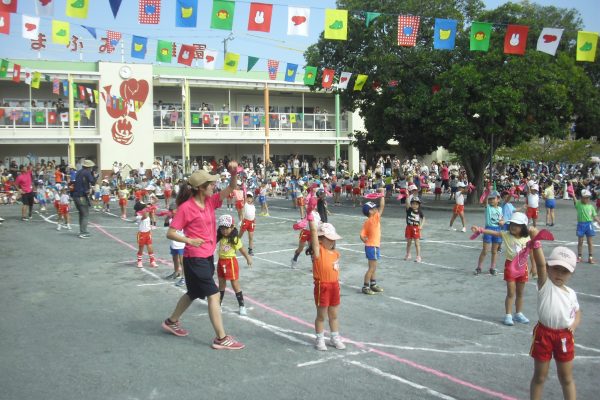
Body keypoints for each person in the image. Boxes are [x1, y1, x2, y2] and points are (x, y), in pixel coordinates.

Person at [161, 165, 245, 350]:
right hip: (195, 258)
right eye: (211, 183)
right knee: (213, 295)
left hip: (206, 256)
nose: (214, 185)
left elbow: (231, 188)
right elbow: (171, 232)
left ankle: (171, 321)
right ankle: (221, 338)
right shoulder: (186, 208)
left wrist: (233, 174)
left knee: (193, 293)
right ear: (201, 187)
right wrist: (189, 240)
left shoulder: (210, 201)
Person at [529, 241, 581, 400]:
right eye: (556, 268)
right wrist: (535, 242)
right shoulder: (545, 285)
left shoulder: (571, 293)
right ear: (548, 267)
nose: (559, 274)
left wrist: (574, 324)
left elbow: (577, 311)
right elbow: (539, 263)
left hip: (565, 336)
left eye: (565, 271)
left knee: (566, 377)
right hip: (544, 334)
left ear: (571, 273)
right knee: (540, 376)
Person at [472, 212, 531, 326]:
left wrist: (534, 267)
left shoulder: (528, 238)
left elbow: (532, 252)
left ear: (523, 227)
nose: (513, 226)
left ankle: (518, 313)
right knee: (511, 292)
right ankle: (508, 315)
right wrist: (480, 230)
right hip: (510, 266)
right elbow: (494, 232)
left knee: (520, 293)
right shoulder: (506, 234)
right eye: (512, 224)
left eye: (517, 225)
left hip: (523, 267)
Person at [307, 219, 345, 351]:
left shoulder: (336, 253)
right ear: (321, 240)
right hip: (322, 287)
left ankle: (335, 337)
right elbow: (313, 234)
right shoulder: (318, 252)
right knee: (321, 316)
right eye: (330, 239)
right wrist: (311, 221)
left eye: (334, 239)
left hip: (334, 286)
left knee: (333, 315)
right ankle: (320, 339)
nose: (333, 241)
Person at [216, 214, 252, 316]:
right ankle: (219, 304)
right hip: (221, 262)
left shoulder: (235, 239)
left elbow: (242, 249)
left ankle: (242, 306)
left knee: (235, 285)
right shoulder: (220, 237)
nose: (224, 231)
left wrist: (248, 258)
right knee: (221, 285)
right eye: (222, 228)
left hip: (230, 262)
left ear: (232, 227)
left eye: (227, 228)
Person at [360, 188, 385, 295]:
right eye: (374, 208)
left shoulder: (367, 221)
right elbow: (382, 206)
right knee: (372, 267)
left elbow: (362, 234)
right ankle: (366, 286)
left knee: (373, 267)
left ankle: (373, 284)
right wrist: (382, 195)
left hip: (371, 246)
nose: (376, 209)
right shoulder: (374, 218)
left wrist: (363, 239)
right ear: (370, 211)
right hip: (373, 246)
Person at [474, 192, 503, 275]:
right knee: (485, 250)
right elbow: (484, 202)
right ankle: (479, 267)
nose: (491, 200)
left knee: (494, 251)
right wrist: (487, 192)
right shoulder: (488, 208)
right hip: (488, 230)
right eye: (490, 199)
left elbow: (501, 218)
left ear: (498, 199)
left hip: (497, 230)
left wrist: (501, 222)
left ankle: (492, 268)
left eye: (493, 198)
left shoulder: (500, 209)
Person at [572, 189, 600, 264]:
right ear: (581, 198)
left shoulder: (591, 207)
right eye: (585, 197)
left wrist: (599, 221)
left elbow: (595, 216)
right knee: (580, 242)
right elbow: (574, 199)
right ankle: (579, 257)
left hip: (589, 225)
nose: (587, 199)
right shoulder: (578, 204)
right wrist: (573, 194)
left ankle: (590, 257)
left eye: (588, 197)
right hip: (581, 224)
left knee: (590, 242)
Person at [72, 160, 96, 239]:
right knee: (85, 214)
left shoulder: (79, 172)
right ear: (89, 167)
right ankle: (83, 232)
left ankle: (81, 230)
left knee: (81, 213)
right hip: (81, 195)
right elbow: (92, 182)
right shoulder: (87, 172)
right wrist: (95, 176)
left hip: (75, 195)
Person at [164, 204, 185, 286]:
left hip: (181, 244)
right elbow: (165, 224)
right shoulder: (170, 219)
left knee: (182, 262)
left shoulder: (182, 219)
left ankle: (184, 278)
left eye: (173, 210)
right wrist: (167, 217)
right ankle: (176, 272)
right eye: (170, 210)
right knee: (175, 259)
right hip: (173, 243)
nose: (171, 212)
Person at [134, 202, 157, 269]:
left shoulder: (145, 212)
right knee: (141, 248)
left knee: (150, 247)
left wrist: (152, 208)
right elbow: (145, 216)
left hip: (148, 233)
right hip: (141, 234)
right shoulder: (138, 216)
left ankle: (152, 261)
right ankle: (139, 261)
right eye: (144, 207)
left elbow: (149, 214)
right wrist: (149, 208)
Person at [404, 197, 425, 262]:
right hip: (409, 227)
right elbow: (407, 203)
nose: (414, 205)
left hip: (416, 228)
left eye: (416, 204)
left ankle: (418, 256)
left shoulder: (419, 212)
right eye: (413, 204)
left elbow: (423, 218)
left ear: (418, 205)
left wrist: (421, 226)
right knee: (409, 243)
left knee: (417, 243)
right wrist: (407, 196)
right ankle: (408, 254)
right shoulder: (409, 210)